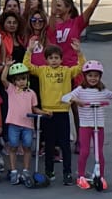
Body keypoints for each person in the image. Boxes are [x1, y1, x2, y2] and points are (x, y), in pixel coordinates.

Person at [64, 61, 112, 192]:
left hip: (99, 125)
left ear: (100, 77)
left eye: (96, 75)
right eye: (90, 75)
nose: (93, 78)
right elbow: (65, 97)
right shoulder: (80, 90)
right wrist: (76, 100)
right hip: (85, 125)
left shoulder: (101, 90)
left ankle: (100, 176)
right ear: (85, 76)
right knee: (84, 151)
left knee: (99, 152)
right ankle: (81, 176)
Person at [27, 44, 79, 185]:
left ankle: (67, 172)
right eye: (51, 58)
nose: (54, 60)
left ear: (61, 59)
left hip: (62, 112)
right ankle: (49, 171)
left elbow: (81, 68)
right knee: (49, 144)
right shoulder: (42, 71)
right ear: (46, 60)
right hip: (47, 112)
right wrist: (29, 51)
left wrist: (79, 52)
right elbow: (28, 66)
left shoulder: (67, 71)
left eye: (56, 58)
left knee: (64, 145)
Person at [0, 61, 39, 186]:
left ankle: (26, 170)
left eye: (23, 78)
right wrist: (6, 66)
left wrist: (44, 112)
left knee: (27, 148)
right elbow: (3, 78)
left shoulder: (31, 93)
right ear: (14, 81)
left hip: (28, 125)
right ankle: (14, 170)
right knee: (13, 147)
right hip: (14, 124)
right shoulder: (11, 90)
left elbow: (34, 108)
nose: (21, 81)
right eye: (18, 79)